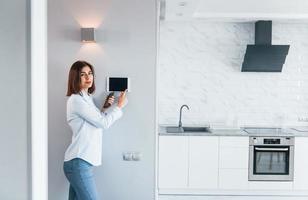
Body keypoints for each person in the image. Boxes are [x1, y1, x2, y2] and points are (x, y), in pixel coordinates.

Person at [63, 60, 127, 200]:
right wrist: (119, 107)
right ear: (75, 78)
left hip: (80, 162)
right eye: (83, 74)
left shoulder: (87, 98)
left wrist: (104, 108)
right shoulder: (76, 100)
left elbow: (94, 123)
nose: (88, 77)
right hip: (78, 163)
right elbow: (103, 124)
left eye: (90, 73)